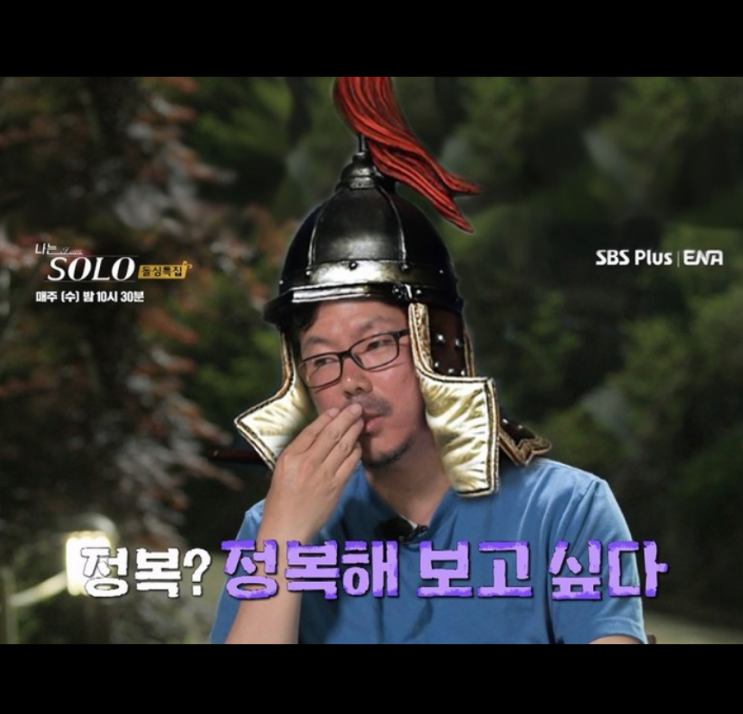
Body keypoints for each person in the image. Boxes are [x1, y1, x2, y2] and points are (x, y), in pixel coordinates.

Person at [210, 77, 646, 644]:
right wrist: (285, 540)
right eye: (322, 359)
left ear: (440, 344)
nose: (350, 382)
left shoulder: (564, 511)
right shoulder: (271, 526)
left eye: (375, 344)